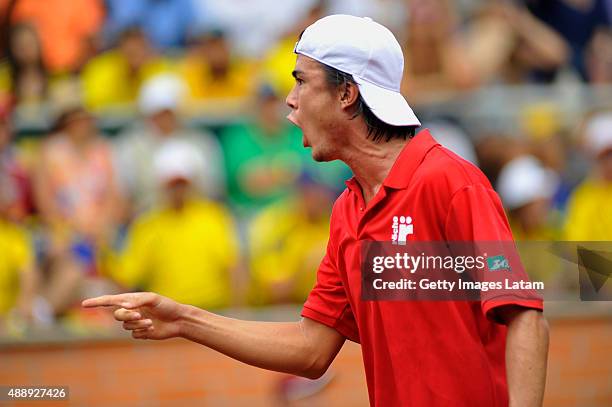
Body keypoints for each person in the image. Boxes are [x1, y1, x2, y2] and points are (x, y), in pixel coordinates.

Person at [83, 15, 549, 406]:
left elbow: (525, 316)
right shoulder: (348, 209)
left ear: (347, 94)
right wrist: (185, 320)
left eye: (301, 81)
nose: (290, 100)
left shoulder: (449, 182)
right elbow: (311, 349)